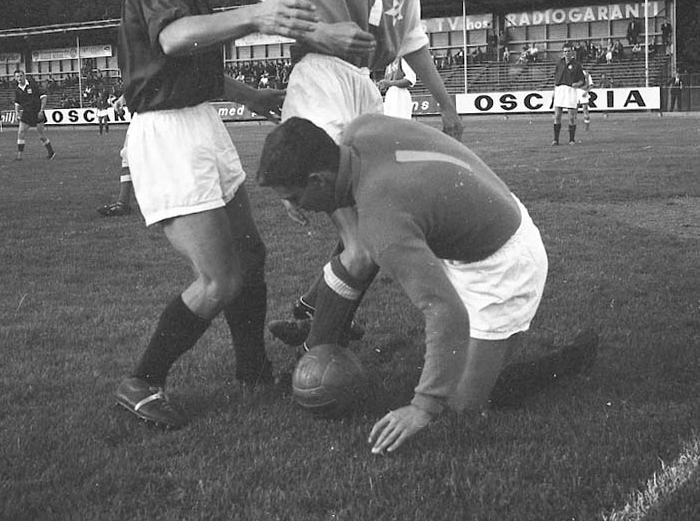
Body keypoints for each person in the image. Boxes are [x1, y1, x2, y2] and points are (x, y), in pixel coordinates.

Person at [256, 115, 599, 454]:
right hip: (485, 218)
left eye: (293, 197)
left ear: (317, 180)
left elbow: (444, 310)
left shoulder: (382, 223)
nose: (293, 206)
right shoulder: (360, 128)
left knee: (461, 407)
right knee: (461, 371)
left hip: (502, 264)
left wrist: (424, 405)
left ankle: (568, 360)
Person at [113, 0, 321, 429]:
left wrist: (252, 97)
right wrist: (256, 14)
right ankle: (142, 380)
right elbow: (174, 39)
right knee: (220, 279)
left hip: (200, 124)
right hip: (169, 136)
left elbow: (189, 63)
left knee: (250, 257)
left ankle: (252, 370)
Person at [255, 0, 461, 346]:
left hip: (365, 88)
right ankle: (317, 350)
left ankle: (314, 312)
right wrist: (322, 33)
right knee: (364, 242)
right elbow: (266, 6)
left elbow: (412, 41)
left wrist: (447, 104)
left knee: (380, 219)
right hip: (320, 79)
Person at [13, 69, 55, 160]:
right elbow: (17, 103)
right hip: (26, 113)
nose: (19, 78)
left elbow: (44, 97)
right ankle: (19, 156)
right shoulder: (17, 90)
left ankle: (51, 152)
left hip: (37, 112)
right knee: (20, 133)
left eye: (21, 76)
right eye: (17, 76)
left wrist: (41, 110)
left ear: (24, 76)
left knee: (41, 135)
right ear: (15, 78)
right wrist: (17, 113)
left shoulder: (33, 85)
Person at [551, 42, 585, 145]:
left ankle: (571, 139)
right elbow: (556, 78)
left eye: (568, 51)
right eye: (565, 51)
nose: (566, 53)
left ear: (572, 52)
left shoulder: (577, 65)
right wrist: (554, 91)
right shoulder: (559, 63)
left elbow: (582, 80)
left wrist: (577, 84)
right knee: (557, 115)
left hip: (570, 90)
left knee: (571, 116)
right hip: (560, 90)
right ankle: (556, 140)